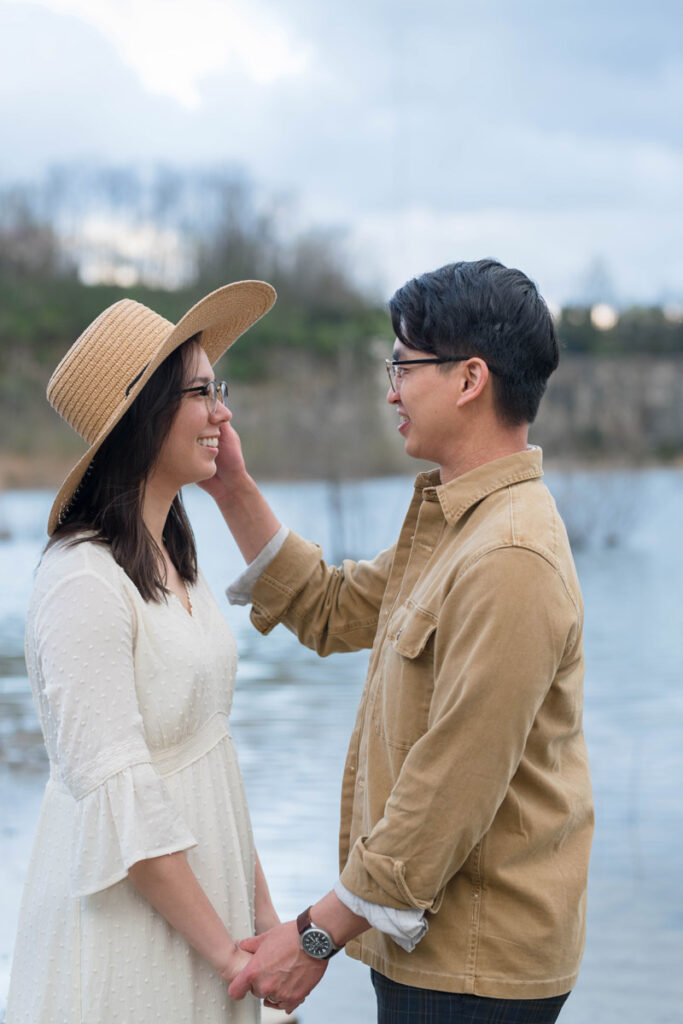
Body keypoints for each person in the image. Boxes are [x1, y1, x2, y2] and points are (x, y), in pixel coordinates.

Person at [203, 259, 594, 1022]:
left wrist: (314, 936)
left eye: (404, 365)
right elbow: (327, 608)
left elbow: (449, 788)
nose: (391, 390)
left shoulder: (509, 556)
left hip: (475, 971)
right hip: (438, 959)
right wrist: (231, 488)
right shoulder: (459, 527)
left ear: (469, 379)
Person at [6, 281, 281, 1023]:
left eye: (217, 389)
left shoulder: (175, 563)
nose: (222, 413)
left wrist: (262, 923)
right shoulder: (81, 581)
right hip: (136, 942)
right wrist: (227, 955)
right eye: (200, 392)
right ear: (142, 416)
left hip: (208, 929)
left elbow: (209, 756)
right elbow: (123, 806)